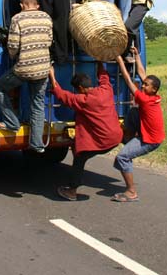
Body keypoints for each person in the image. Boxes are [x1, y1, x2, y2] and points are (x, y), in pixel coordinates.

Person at [48, 64, 123, 201]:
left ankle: (72, 191)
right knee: (79, 153)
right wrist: (99, 61)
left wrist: (52, 75)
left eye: (78, 90)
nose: (77, 92)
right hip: (116, 137)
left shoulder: (84, 100)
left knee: (79, 157)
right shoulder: (106, 90)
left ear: (81, 88)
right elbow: (104, 77)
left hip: (103, 140)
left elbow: (62, 95)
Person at [0, 0, 53, 152]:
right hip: (43, 68)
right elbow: (48, 40)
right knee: (38, 104)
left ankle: (12, 123)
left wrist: (13, 56)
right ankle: (37, 144)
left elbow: (12, 44)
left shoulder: (17, 18)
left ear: (22, 5)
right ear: (37, 5)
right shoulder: (46, 17)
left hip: (24, 68)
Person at [114, 48, 165, 202]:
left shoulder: (146, 100)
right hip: (147, 135)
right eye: (143, 85)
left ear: (154, 89)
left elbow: (129, 82)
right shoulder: (153, 96)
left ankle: (131, 192)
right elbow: (142, 73)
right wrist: (136, 55)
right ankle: (128, 138)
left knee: (122, 157)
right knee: (134, 112)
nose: (143, 86)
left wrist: (119, 60)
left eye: (146, 86)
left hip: (150, 140)